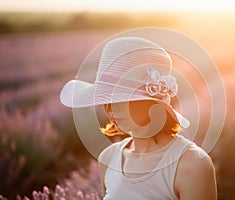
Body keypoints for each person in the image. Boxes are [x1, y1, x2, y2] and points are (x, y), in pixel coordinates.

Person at [60, 37, 217, 199]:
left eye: (121, 98)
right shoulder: (107, 159)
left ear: (152, 103)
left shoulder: (192, 165)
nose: (110, 108)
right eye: (105, 99)